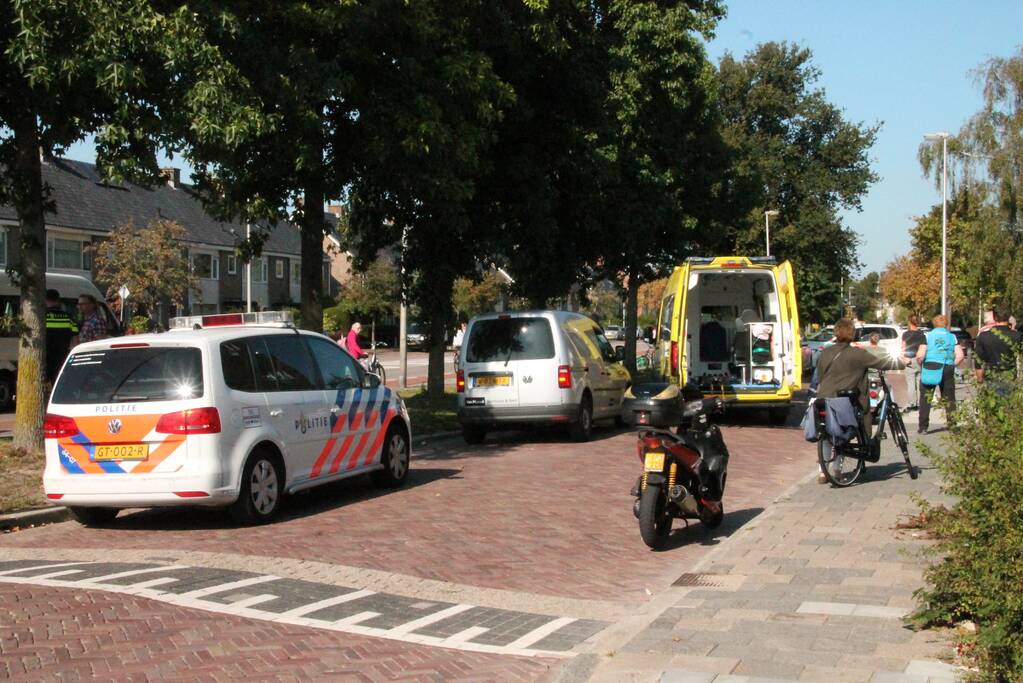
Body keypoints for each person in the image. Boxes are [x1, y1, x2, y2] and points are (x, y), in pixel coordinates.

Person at [813, 318, 906, 483]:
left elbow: (820, 375)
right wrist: (902, 363)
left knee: (827, 433)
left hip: (823, 399)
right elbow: (882, 362)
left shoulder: (825, 352)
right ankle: (838, 469)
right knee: (859, 420)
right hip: (845, 401)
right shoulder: (858, 354)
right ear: (852, 333)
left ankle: (822, 471)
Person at [915, 314, 964, 435]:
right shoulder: (953, 337)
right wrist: (952, 364)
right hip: (947, 367)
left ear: (934, 324)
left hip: (930, 366)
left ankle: (923, 427)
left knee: (926, 398)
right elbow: (960, 355)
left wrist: (921, 364)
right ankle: (953, 425)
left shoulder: (927, 336)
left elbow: (920, 355)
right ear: (946, 324)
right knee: (949, 398)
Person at [974, 303, 1022, 395]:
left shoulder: (983, 336)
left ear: (995, 317)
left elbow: (978, 361)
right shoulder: (1017, 336)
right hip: (1010, 376)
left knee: (992, 406)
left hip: (991, 376)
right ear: (1008, 317)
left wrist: (979, 380)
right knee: (1008, 407)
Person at [45, 289, 78, 387]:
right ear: (58, 300)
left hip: (46, 355)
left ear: (46, 300)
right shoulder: (68, 317)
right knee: (58, 382)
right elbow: (75, 337)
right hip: (62, 355)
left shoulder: (43, 316)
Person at [900, 314, 926, 412]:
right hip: (919, 359)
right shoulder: (921, 334)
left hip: (909, 359)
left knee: (910, 383)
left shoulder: (906, 334)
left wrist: (903, 358)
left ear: (909, 322)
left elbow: (903, 347)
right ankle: (920, 403)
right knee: (919, 382)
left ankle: (912, 403)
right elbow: (924, 347)